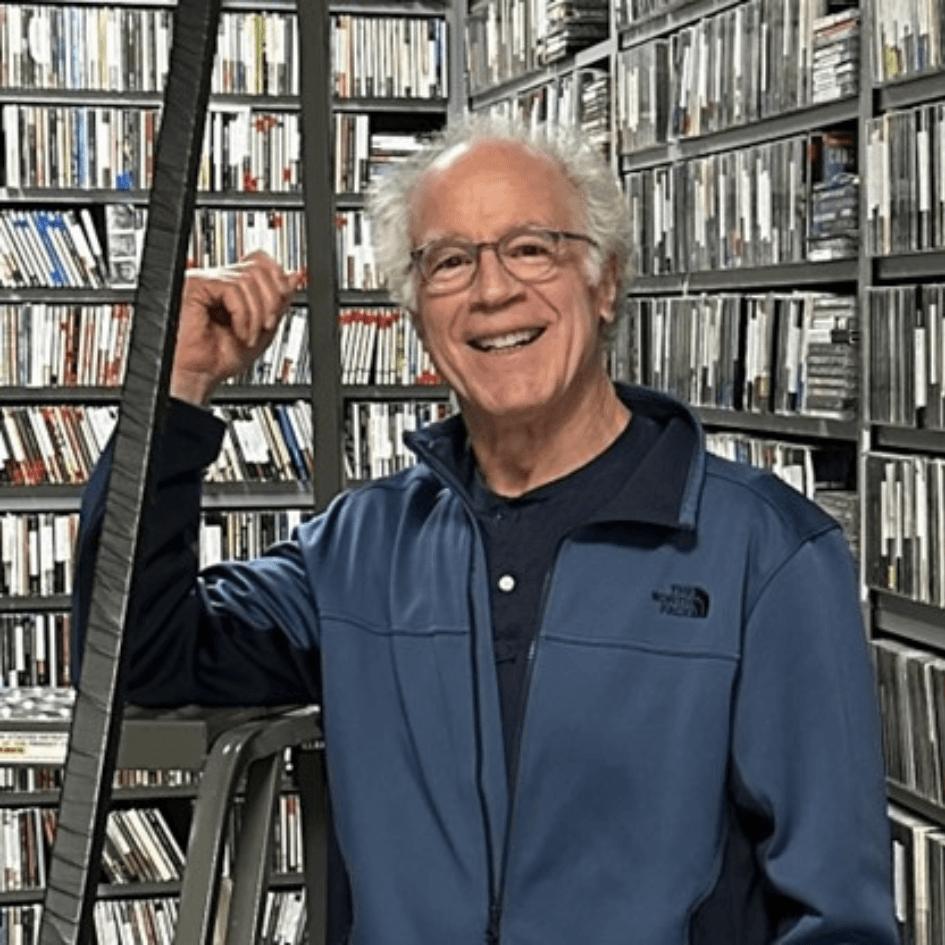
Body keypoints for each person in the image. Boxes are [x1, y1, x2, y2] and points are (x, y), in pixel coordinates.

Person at [73, 114, 899, 944]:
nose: (492, 289)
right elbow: (136, 652)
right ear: (416, 312)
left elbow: (838, 917)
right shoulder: (359, 551)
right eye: (450, 261)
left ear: (605, 279)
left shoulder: (766, 553)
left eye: (531, 248)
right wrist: (173, 386)